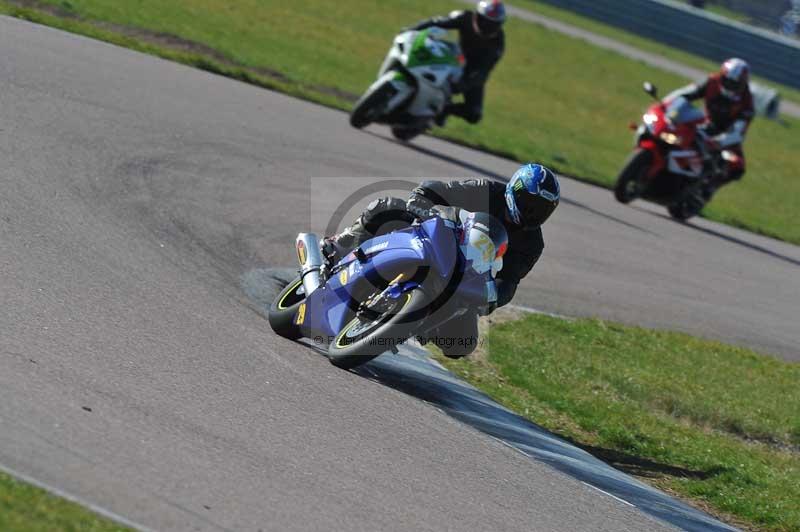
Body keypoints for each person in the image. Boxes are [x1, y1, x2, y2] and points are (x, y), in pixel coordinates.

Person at [322, 164, 560, 358]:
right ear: (513, 191)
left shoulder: (532, 244)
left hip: (465, 276)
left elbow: (509, 282)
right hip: (439, 241)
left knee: (461, 344)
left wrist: (493, 298)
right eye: (529, 204)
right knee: (387, 208)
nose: (533, 214)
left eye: (542, 210)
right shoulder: (486, 190)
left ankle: (415, 324)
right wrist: (422, 200)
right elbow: (439, 188)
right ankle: (340, 245)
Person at [408, 0, 506, 126]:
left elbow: (483, 71)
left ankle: (444, 110)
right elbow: (436, 22)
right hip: (454, 57)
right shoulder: (464, 17)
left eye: (493, 24)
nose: (487, 26)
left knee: (474, 114)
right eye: (484, 21)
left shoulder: (498, 44)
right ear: (477, 15)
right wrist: (411, 30)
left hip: (472, 71)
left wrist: (465, 84)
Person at [666, 58, 755, 195]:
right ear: (722, 76)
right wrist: (667, 107)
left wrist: (718, 141)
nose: (731, 86)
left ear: (743, 84)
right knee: (678, 134)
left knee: (738, 166)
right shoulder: (711, 81)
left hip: (728, 136)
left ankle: (708, 188)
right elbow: (684, 94)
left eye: (736, 84)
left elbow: (739, 131)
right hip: (705, 124)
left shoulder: (747, 101)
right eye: (728, 82)